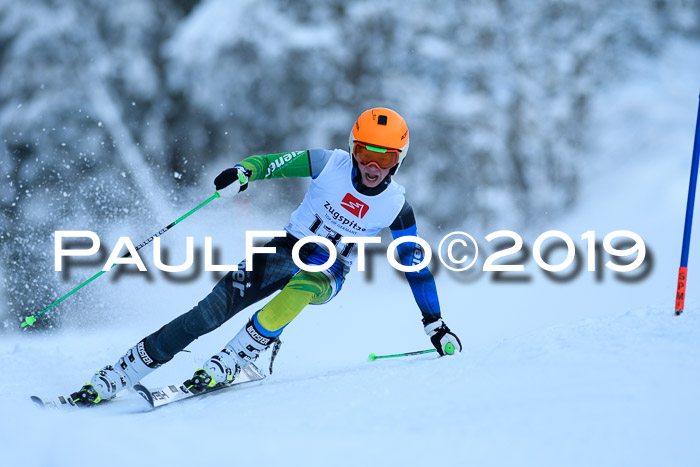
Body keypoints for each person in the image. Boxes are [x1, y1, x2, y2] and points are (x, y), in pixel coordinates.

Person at [72, 107, 462, 405]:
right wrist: (243, 173)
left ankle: (235, 356)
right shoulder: (329, 163)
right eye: (364, 153)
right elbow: (269, 164)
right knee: (206, 314)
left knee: (303, 287)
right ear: (352, 148)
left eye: (386, 158)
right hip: (284, 249)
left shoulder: (397, 206)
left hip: (330, 268)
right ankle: (124, 370)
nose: (372, 166)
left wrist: (435, 323)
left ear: (400, 159)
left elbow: (416, 268)